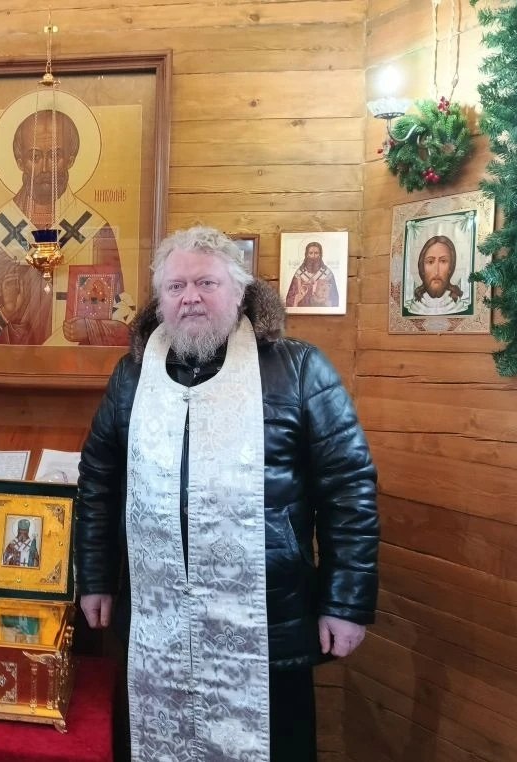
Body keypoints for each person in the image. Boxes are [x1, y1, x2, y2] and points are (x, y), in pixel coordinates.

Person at [74, 226, 379, 761]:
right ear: (160, 300)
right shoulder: (132, 376)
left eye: (206, 283)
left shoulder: (300, 369)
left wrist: (345, 603)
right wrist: (96, 578)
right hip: (157, 625)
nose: (190, 297)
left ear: (240, 291)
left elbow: (348, 490)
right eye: (176, 287)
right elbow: (99, 482)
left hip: (266, 623)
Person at [0, 106, 133, 346]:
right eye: (35, 157)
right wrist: (5, 313)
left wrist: (91, 329)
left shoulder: (96, 230)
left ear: (71, 159)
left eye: (55, 155)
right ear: (20, 161)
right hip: (14, 367)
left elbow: (123, 320)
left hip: (76, 366)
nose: (46, 168)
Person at [404, 234, 471, 315]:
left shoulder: (459, 304)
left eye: (443, 261)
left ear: (451, 267)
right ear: (422, 268)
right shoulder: (414, 305)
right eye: (430, 262)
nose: (436, 271)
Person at [285, 240, 340, 308]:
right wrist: (296, 299)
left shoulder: (327, 274)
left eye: (316, 253)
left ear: (320, 255)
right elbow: (289, 299)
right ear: (307, 254)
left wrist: (325, 299)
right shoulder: (299, 274)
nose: (313, 256)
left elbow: (334, 299)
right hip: (302, 311)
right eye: (311, 253)